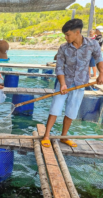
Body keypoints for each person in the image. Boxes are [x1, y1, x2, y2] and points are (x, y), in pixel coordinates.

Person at [41, 19, 103, 148]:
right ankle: (46, 135)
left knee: (71, 111)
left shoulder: (93, 44)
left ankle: (64, 136)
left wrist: (101, 73)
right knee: (55, 108)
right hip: (64, 83)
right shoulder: (63, 48)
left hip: (80, 84)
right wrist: (63, 84)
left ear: (77, 32)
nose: (66, 37)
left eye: (68, 34)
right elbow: (59, 67)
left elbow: (98, 59)